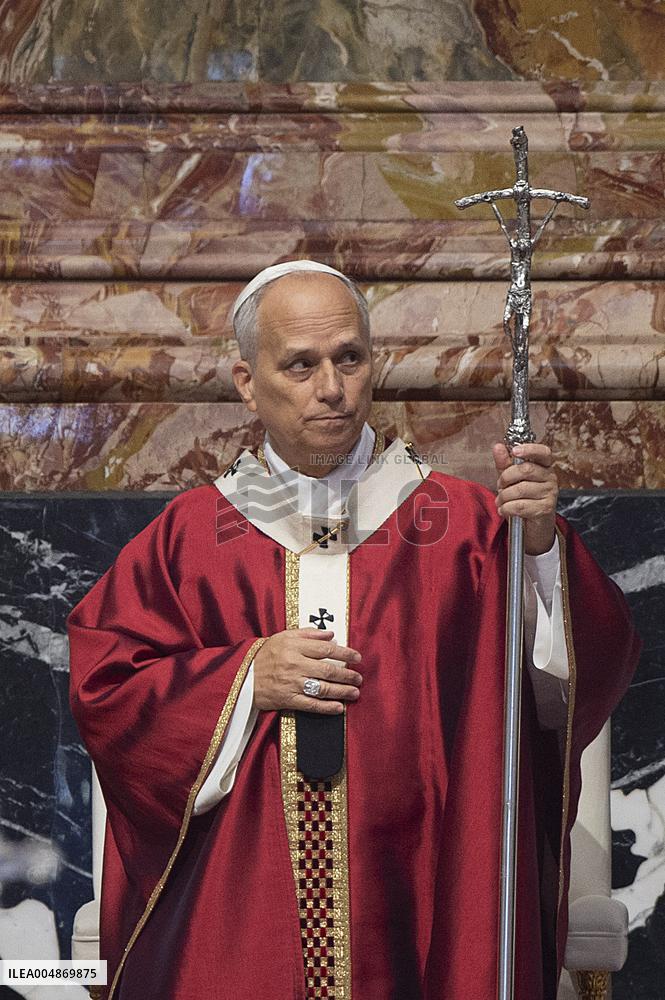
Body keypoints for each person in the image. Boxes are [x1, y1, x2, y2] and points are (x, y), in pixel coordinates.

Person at [67, 260, 641, 1000]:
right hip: (244, 903)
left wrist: (538, 549)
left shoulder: (468, 526)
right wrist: (243, 679)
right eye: (299, 366)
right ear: (246, 382)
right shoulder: (189, 539)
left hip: (427, 885)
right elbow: (108, 694)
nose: (331, 389)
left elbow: (583, 673)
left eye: (349, 358)